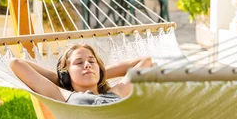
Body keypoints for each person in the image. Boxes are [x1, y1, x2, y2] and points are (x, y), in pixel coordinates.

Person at [9, 43, 154, 105]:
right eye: (79, 63)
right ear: (67, 73)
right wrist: (62, 79)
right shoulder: (63, 96)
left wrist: (100, 74)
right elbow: (16, 63)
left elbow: (145, 61)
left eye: (92, 61)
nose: (87, 65)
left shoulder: (115, 92)